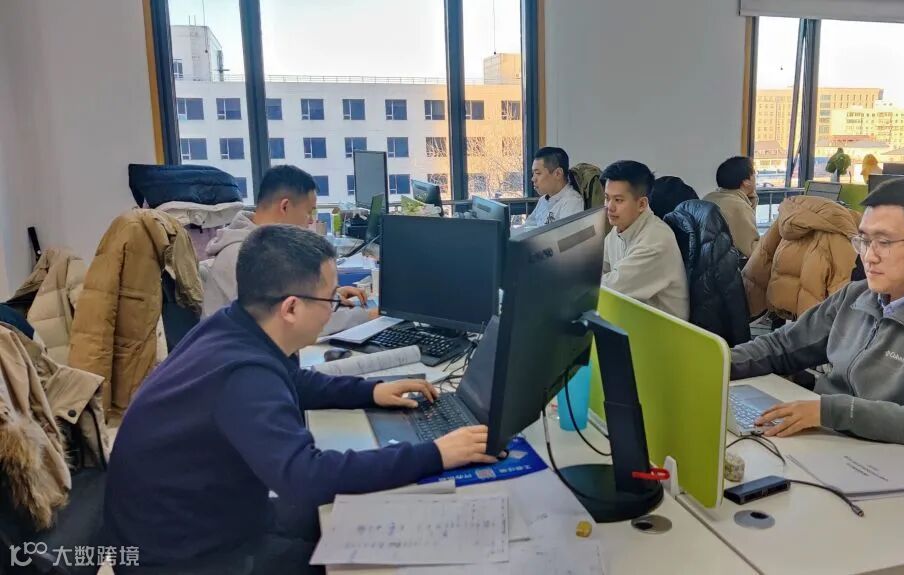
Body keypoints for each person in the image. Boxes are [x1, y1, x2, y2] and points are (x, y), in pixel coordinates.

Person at [105, 225, 496, 574]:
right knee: (373, 558)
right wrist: (435, 454)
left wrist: (371, 391)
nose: (334, 311)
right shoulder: (243, 375)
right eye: (330, 300)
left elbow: (293, 382)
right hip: (184, 557)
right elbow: (307, 477)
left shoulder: (234, 326)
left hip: (200, 518)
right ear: (291, 307)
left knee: (338, 516)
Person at [731, 178, 904, 461]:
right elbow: (782, 346)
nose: (869, 257)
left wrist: (834, 412)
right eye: (864, 241)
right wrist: (715, 363)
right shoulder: (857, 296)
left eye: (884, 242)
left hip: (886, 461)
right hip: (827, 442)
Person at [200, 165, 372, 335]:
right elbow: (290, 323)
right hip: (238, 350)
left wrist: (330, 299)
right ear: (285, 207)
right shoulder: (244, 255)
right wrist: (365, 317)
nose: (310, 221)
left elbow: (289, 299)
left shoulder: (267, 245)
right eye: (309, 212)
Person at [601, 160, 690, 321]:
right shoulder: (620, 228)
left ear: (642, 204)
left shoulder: (655, 241)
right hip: (634, 319)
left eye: (618, 200)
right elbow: (600, 268)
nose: (609, 207)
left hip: (662, 331)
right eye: (607, 198)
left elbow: (611, 289)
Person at [703, 156, 760, 258]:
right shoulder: (737, 206)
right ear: (746, 181)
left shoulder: (709, 197)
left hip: (706, 261)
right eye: (754, 174)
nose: (756, 177)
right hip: (727, 265)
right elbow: (753, 251)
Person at [526, 146, 584, 227]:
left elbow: (566, 234)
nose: (533, 179)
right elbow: (528, 227)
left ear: (558, 173)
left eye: (538, 173)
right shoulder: (543, 200)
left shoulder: (572, 202)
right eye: (533, 173)